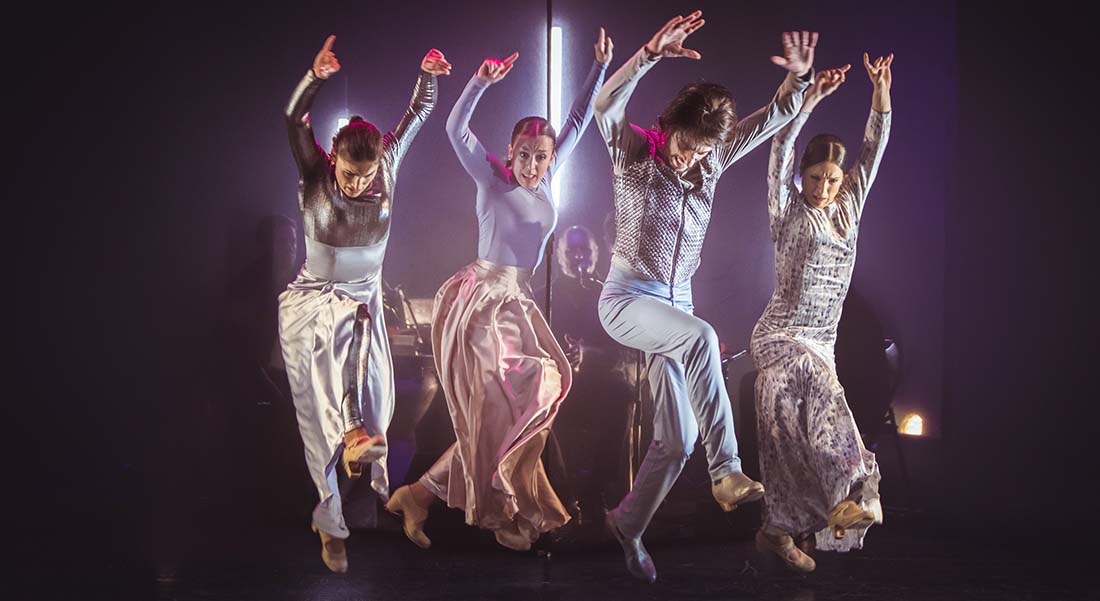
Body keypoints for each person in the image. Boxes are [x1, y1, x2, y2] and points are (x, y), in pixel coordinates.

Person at [593, 11, 815, 582]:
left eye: (700, 151)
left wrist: (798, 80)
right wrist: (646, 55)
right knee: (703, 339)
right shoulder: (635, 152)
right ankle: (728, 471)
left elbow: (774, 117)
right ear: (669, 127)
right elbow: (603, 106)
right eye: (684, 146)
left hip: (676, 305)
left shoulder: (711, 158)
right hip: (627, 298)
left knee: (677, 439)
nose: (688, 159)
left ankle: (628, 523)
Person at [386, 30, 612, 552]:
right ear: (510, 151)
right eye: (525, 155)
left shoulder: (548, 177)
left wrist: (598, 66)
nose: (533, 165)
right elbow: (454, 127)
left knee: (531, 397)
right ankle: (500, 507)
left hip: (517, 301)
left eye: (541, 157)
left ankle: (421, 493)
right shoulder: (492, 179)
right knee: (505, 403)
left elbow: (578, 120)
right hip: (481, 299)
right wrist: (479, 82)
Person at [279, 35, 450, 572]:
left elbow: (420, 110)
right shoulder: (315, 173)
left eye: (366, 175)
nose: (356, 184)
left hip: (364, 298)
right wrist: (314, 78)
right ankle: (333, 504)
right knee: (322, 416)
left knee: (381, 409)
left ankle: (339, 508)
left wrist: (428, 73)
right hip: (315, 301)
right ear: (333, 163)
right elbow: (293, 120)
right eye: (348, 175)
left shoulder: (387, 164)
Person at [750, 54, 893, 572]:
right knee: (821, 397)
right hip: (781, 339)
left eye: (832, 179)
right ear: (803, 175)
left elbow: (873, 149)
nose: (823, 189)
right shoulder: (787, 210)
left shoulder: (848, 206)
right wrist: (810, 100)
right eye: (815, 177)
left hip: (822, 342)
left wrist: (880, 94)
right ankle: (861, 491)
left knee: (792, 445)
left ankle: (778, 530)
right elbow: (779, 150)